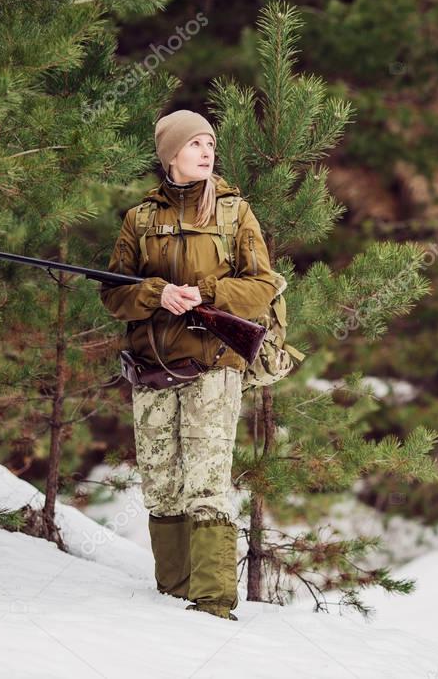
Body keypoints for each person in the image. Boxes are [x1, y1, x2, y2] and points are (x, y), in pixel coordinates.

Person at [99, 110, 279, 620]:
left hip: (213, 366)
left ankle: (214, 602)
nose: (206, 151)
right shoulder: (139, 219)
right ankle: (171, 597)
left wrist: (206, 293)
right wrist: (158, 294)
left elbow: (263, 287)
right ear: (170, 155)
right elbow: (114, 295)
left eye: (210, 143)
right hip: (152, 367)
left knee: (206, 482)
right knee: (160, 483)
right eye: (195, 143)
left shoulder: (234, 214)